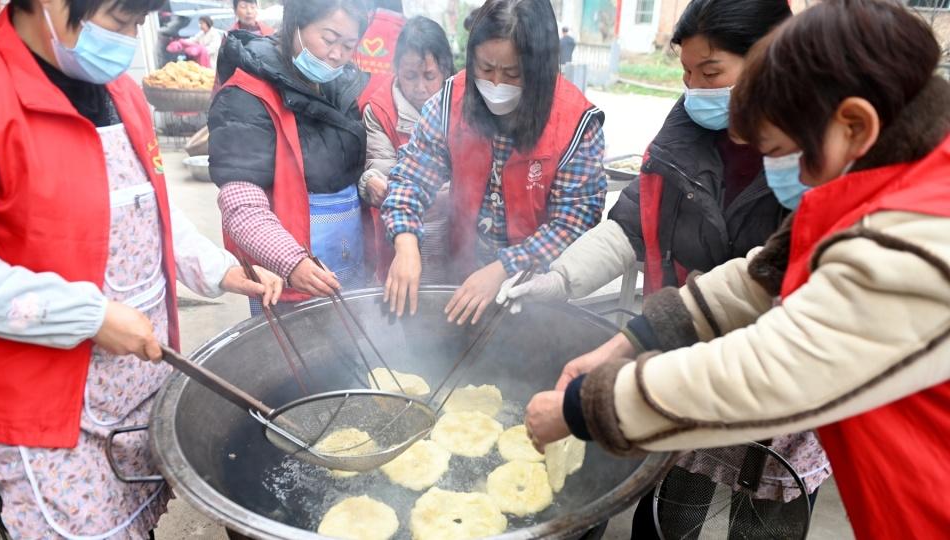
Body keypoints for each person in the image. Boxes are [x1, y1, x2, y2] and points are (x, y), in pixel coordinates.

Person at [524, 1, 950, 538]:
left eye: (781, 154)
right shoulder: (888, 180)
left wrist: (582, 408)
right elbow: (759, 274)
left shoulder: (918, 240)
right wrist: (627, 342)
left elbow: (768, 369)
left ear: (854, 124)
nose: (779, 178)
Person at [500, 0, 829, 535]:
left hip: (772, 396)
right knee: (670, 518)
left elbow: (775, 296)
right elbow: (638, 227)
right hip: (683, 356)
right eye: (687, 74)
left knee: (762, 525)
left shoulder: (824, 171)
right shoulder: (685, 132)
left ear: (775, 57)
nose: (696, 89)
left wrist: (591, 406)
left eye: (712, 72)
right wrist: (560, 281)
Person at [0, 0, 283, 536]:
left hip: (136, 383)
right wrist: (89, 316)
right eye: (121, 21)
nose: (127, 41)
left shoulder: (121, 94)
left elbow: (150, 213)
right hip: (52, 411)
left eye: (137, 25)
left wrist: (220, 270)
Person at [381, 0, 607, 325]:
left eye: (512, 73)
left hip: (534, 293)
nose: (496, 84)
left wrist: (505, 267)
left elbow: (573, 224)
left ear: (539, 70)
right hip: (461, 276)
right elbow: (411, 179)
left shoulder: (575, 124)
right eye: (485, 69)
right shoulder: (452, 100)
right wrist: (405, 244)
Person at [209, 0, 370, 315]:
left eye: (348, 45)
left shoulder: (340, 88)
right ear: (296, 23)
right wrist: (291, 260)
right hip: (284, 277)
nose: (337, 54)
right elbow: (240, 205)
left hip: (348, 267)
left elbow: (352, 170)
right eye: (328, 38)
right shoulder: (245, 96)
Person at [359, 15, 455, 283]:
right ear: (396, 69)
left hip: (454, 240)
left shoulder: (463, 104)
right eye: (410, 76)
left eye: (429, 76)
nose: (420, 87)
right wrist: (372, 183)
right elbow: (381, 170)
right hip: (399, 240)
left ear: (446, 69)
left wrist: (458, 197)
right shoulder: (380, 110)